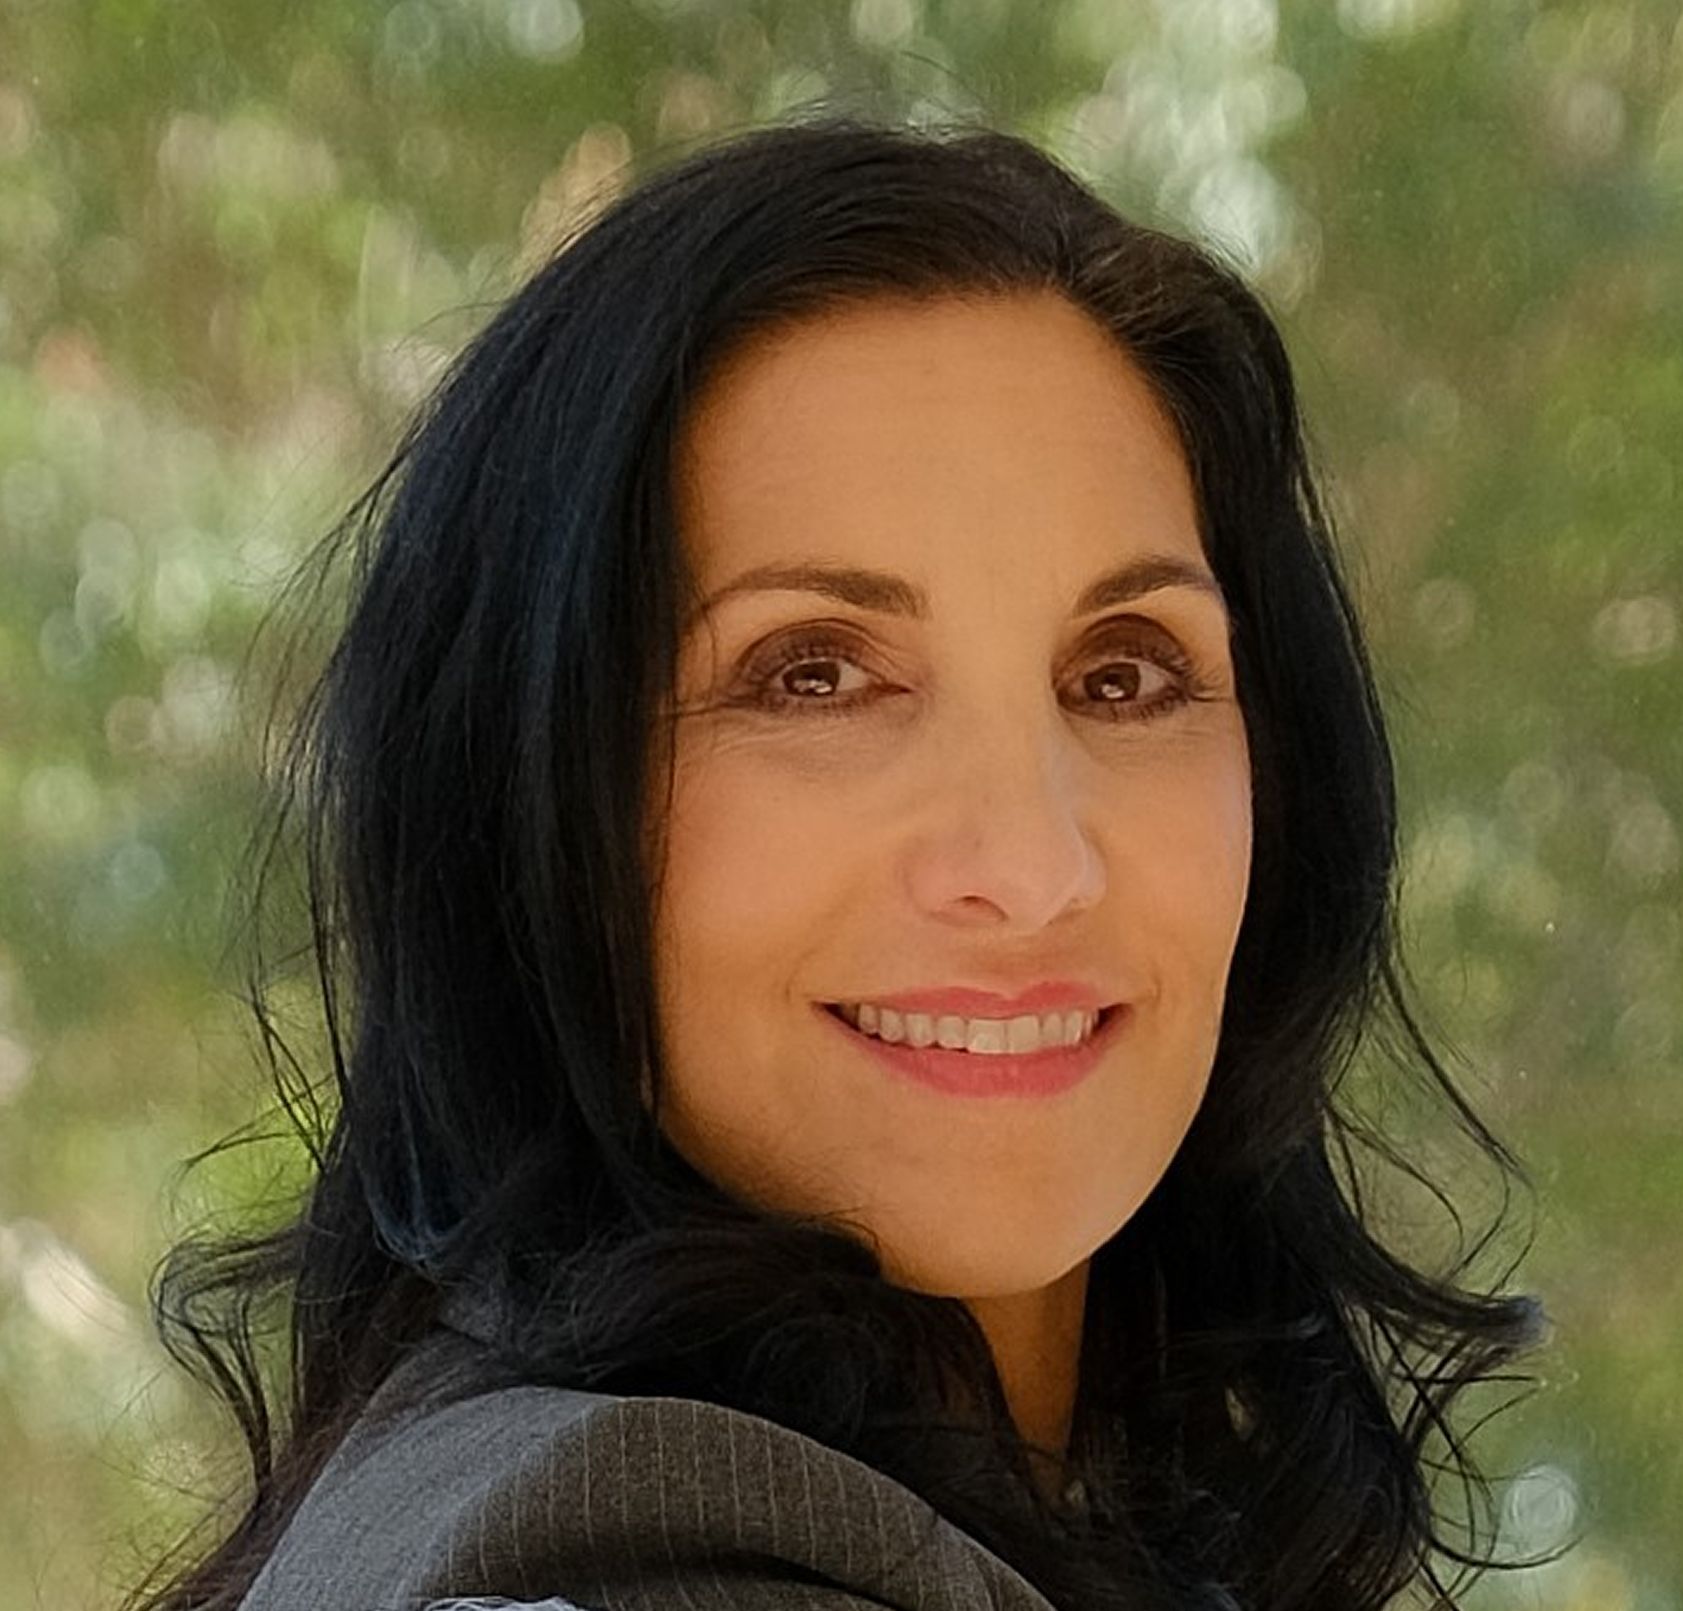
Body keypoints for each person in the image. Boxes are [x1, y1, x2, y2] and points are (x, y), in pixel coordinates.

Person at [127, 112, 1550, 1611]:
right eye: (812, 674)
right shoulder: (624, 1561)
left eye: (1125, 675)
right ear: (537, 807)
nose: (1032, 862)